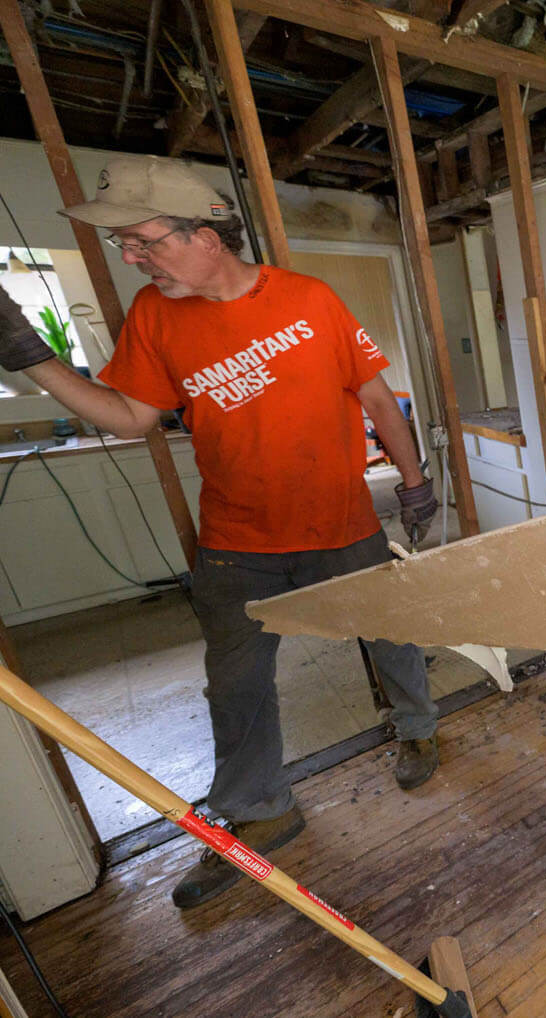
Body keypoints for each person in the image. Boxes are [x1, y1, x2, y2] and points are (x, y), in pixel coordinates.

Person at [0, 155, 447, 911]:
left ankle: (417, 727)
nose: (134, 258)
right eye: (126, 247)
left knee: (391, 634)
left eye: (144, 241)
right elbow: (130, 416)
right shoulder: (154, 315)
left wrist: (414, 481)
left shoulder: (309, 299)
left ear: (206, 234)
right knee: (235, 685)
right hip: (239, 545)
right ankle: (261, 809)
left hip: (341, 526)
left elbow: (374, 395)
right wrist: (34, 360)